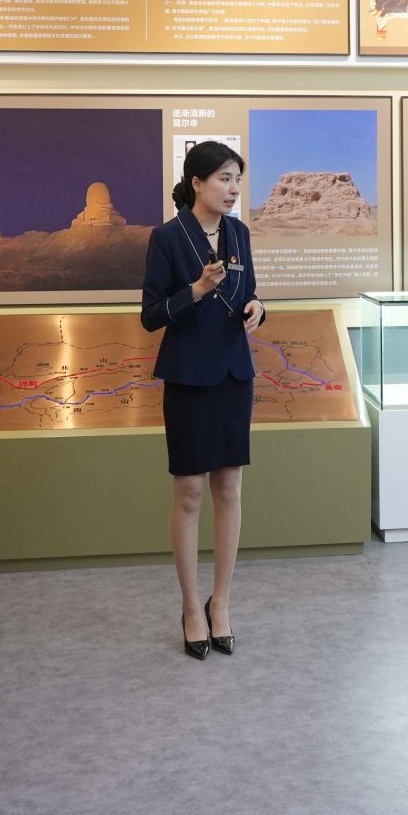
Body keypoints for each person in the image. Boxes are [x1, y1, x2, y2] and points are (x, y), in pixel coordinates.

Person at [141, 141, 264, 659]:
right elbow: (151, 315)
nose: (233, 190)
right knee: (190, 492)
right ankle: (192, 607)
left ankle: (222, 604)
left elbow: (250, 292)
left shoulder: (239, 233)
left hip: (234, 373)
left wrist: (258, 308)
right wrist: (195, 289)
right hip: (189, 376)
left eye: (237, 180)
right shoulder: (167, 237)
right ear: (197, 183)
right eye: (224, 179)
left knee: (229, 487)